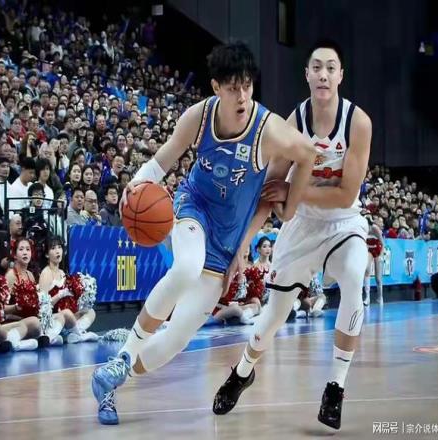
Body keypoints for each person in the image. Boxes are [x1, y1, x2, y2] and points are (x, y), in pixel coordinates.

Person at [91, 42, 316, 425]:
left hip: (226, 243)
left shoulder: (269, 129)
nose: (242, 96)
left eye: (247, 86)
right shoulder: (199, 116)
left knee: (175, 341)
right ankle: (124, 356)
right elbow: (163, 158)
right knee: (185, 267)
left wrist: (289, 206)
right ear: (216, 87)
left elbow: (308, 154)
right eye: (233, 88)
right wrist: (138, 181)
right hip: (193, 207)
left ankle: (111, 378)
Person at [212, 39, 372, 431]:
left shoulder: (357, 122)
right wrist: (243, 243)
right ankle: (243, 371)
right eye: (316, 67)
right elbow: (271, 190)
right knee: (273, 315)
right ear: (307, 75)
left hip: (344, 222)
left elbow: (345, 194)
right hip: (301, 225)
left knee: (354, 276)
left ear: (340, 75)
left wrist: (293, 191)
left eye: (330, 67)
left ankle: (335, 387)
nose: (323, 74)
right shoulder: (292, 123)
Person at [38, 236, 98, 344]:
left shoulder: (62, 273)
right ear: (47, 254)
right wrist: (60, 295)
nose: (57, 251)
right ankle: (79, 336)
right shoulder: (45, 274)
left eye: (59, 247)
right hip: (54, 318)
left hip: (67, 315)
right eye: (53, 248)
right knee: (66, 313)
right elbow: (43, 306)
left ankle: (74, 333)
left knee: (90, 311)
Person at [364, 219, 384, 306]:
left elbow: (383, 244)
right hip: (369, 249)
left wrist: (381, 255)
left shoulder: (375, 228)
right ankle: (367, 297)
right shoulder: (363, 228)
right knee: (367, 270)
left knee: (378, 278)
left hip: (377, 250)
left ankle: (380, 297)